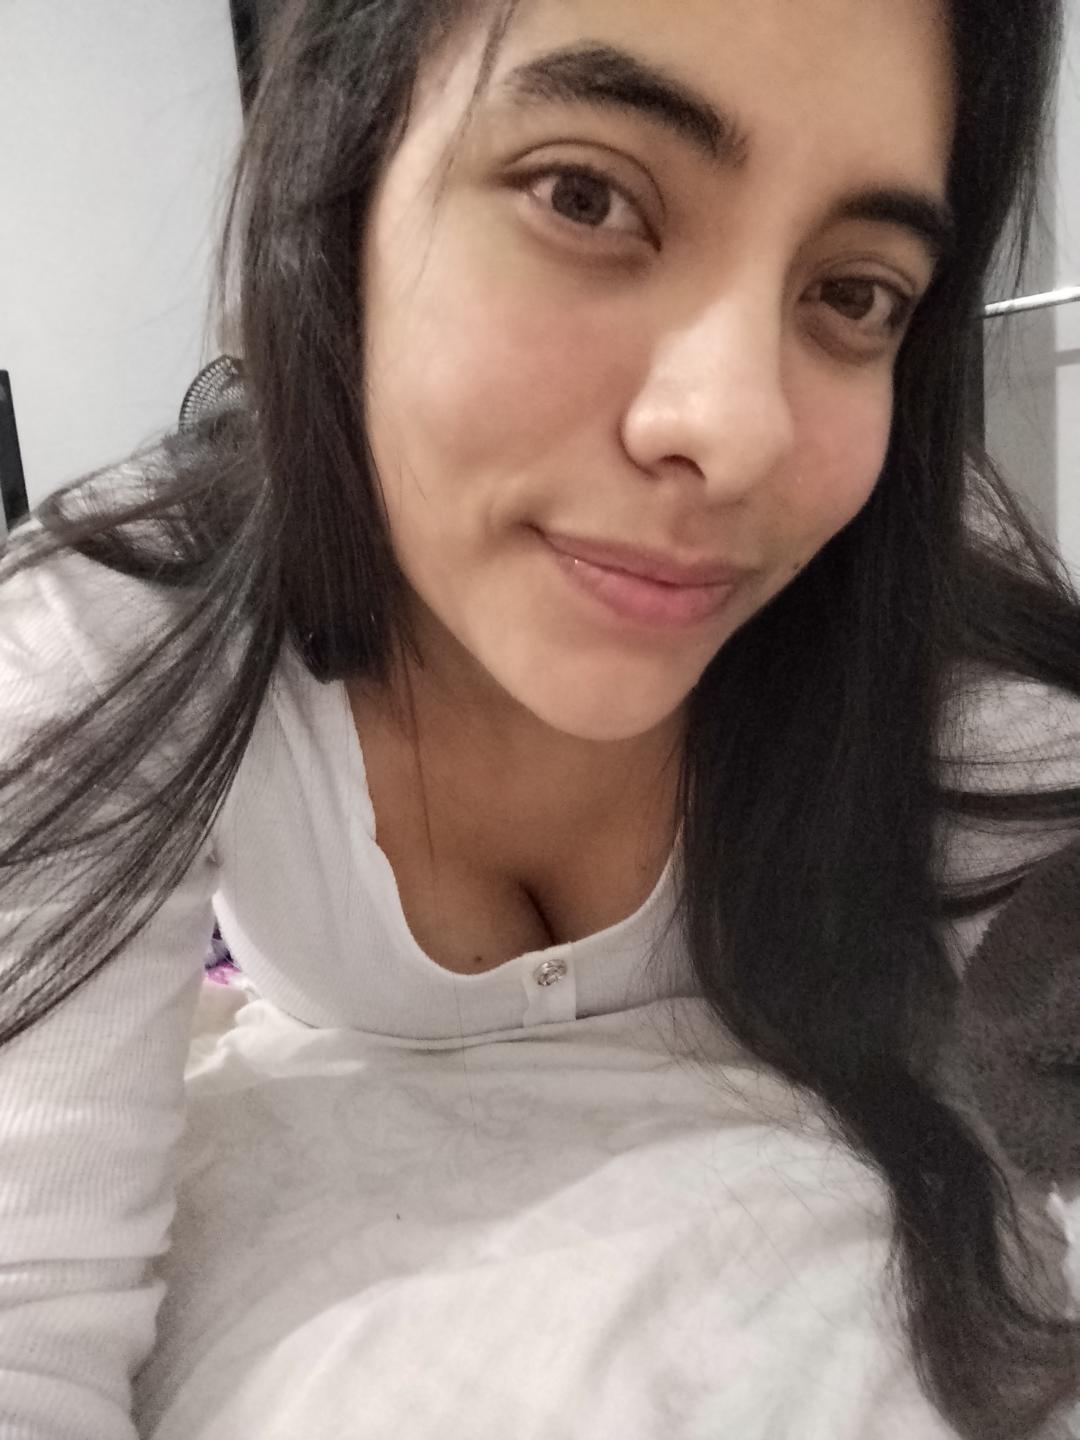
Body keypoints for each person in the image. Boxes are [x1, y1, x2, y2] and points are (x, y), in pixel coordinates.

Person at [2, 0, 1080, 1435]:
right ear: (339, 190)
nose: (740, 429)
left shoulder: (911, 620)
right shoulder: (119, 628)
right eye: (586, 196)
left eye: (855, 292)